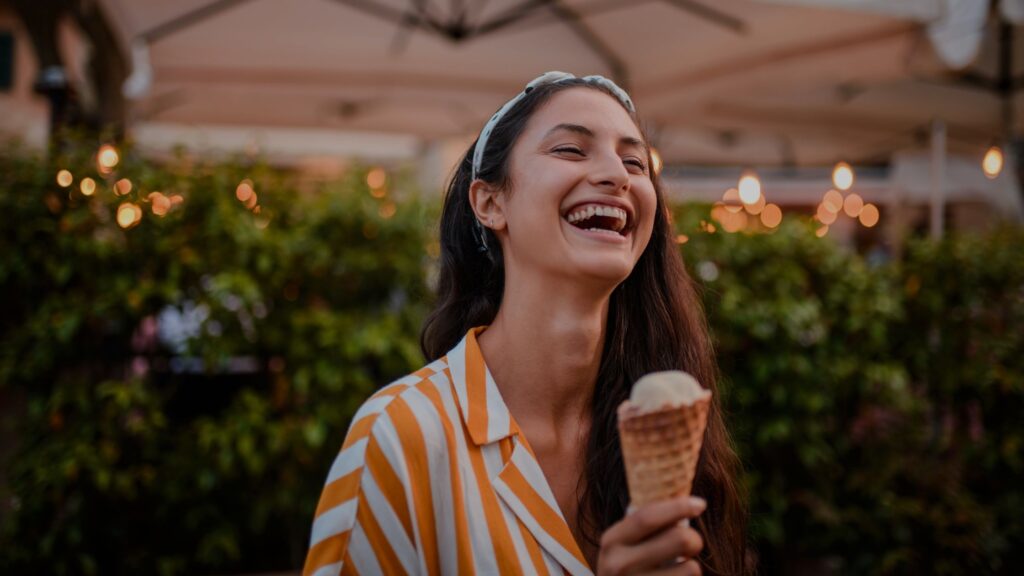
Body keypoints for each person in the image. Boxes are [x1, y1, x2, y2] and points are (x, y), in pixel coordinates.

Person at [303, 71, 749, 576]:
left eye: (635, 162)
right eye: (570, 150)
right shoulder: (399, 436)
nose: (617, 175)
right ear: (491, 202)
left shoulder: (665, 422)